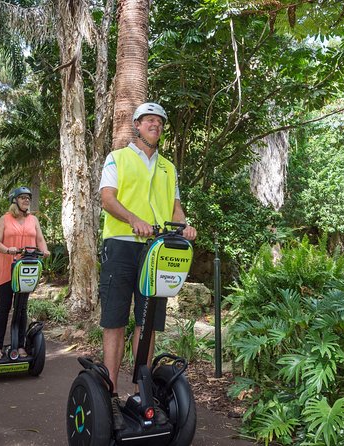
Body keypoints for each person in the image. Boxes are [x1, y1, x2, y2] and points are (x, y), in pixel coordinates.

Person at [99, 102, 197, 428]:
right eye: (149, 120)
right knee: (115, 318)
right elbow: (108, 198)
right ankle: (110, 391)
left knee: (149, 320)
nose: (155, 124)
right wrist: (134, 220)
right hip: (121, 245)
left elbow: (175, 206)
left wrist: (185, 226)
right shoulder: (118, 157)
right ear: (137, 125)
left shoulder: (168, 167)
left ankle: (142, 390)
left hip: (157, 249)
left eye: (159, 121)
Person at [0, 186, 50, 360]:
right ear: (15, 200)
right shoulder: (5, 219)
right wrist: (9, 250)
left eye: (28, 198)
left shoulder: (33, 220)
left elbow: (40, 240)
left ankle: (20, 344)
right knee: (4, 307)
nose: (26, 200)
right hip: (6, 267)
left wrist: (44, 250)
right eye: (23, 197)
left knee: (22, 308)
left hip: (25, 269)